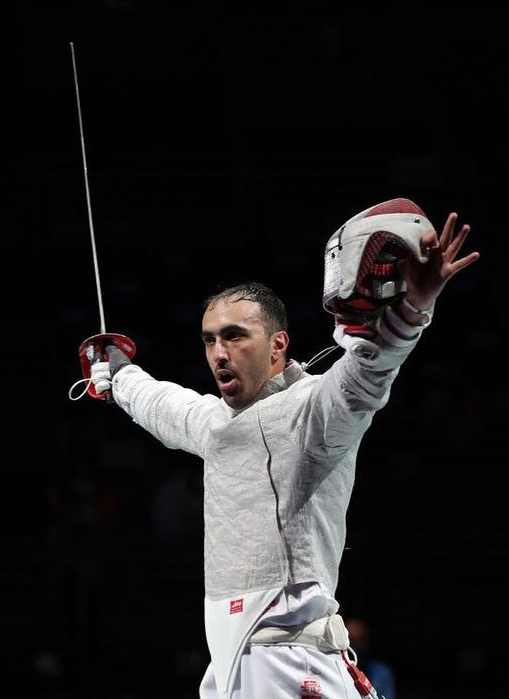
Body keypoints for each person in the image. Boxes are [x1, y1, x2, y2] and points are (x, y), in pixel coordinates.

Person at [82, 201, 478, 698]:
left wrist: (411, 310)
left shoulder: (314, 410)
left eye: (234, 336)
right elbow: (165, 404)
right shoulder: (216, 424)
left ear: (277, 345)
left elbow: (368, 376)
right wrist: (117, 374)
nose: (219, 353)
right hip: (235, 664)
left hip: (289, 668)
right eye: (209, 341)